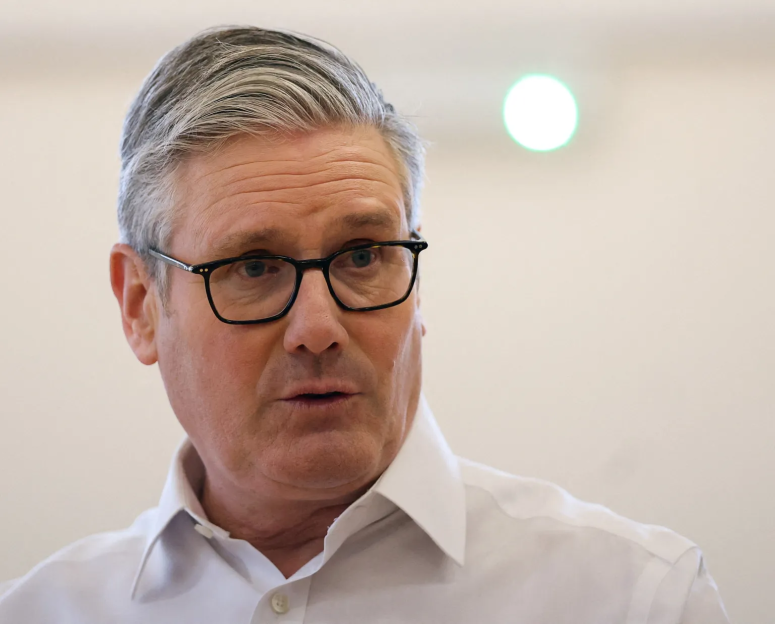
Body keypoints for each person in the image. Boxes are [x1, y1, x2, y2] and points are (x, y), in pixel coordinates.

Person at [0, 26, 729, 623]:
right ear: (139, 305)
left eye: (361, 255)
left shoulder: (634, 599)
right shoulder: (47, 612)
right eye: (254, 267)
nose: (317, 327)